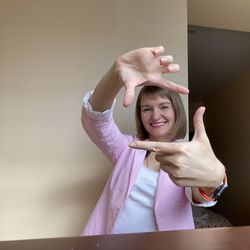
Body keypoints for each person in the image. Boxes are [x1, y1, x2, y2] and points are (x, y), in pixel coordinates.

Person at [81, 46, 226, 236]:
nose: (155, 115)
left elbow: (200, 194)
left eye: (163, 106)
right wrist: (115, 75)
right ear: (140, 114)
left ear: (176, 111)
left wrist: (213, 181)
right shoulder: (127, 148)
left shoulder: (186, 154)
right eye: (146, 109)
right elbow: (96, 120)